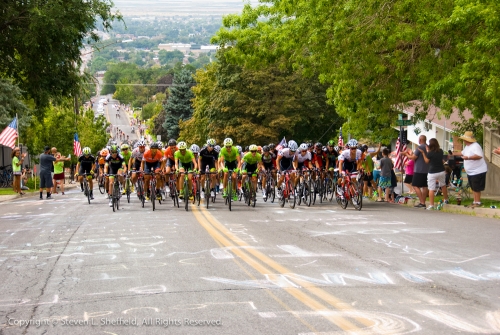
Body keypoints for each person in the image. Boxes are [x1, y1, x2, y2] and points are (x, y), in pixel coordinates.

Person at [418, 138, 449, 210]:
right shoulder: (440, 151)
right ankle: (446, 199)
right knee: (443, 185)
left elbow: (426, 161)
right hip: (441, 171)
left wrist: (423, 153)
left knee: (431, 189)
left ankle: (431, 205)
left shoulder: (430, 153)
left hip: (432, 172)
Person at [460, 131, 488, 207]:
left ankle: (478, 202)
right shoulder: (467, 146)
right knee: (473, 187)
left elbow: (479, 156)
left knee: (476, 187)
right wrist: (453, 154)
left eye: (465, 139)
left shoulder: (476, 146)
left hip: (478, 170)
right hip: (471, 172)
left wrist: (468, 157)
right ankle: (475, 201)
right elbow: (462, 153)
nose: (464, 141)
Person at [402, 135, 429, 208]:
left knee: (415, 185)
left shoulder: (420, 147)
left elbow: (413, 158)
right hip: (426, 169)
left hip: (419, 169)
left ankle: (422, 202)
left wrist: (406, 154)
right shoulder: (428, 147)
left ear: (420, 140)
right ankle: (423, 202)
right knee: (424, 186)